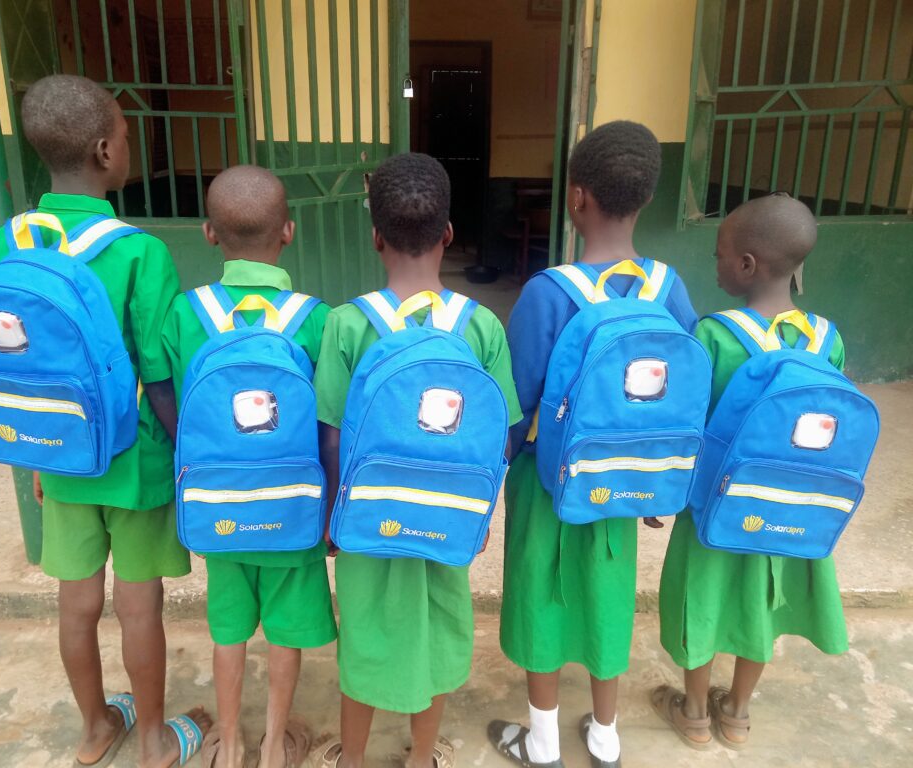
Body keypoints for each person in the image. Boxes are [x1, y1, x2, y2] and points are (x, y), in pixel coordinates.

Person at [0, 75, 211, 768]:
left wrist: (30, 457)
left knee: (75, 601)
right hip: (131, 456)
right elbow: (160, 368)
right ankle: (153, 742)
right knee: (138, 606)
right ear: (107, 151)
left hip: (54, 448)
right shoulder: (139, 251)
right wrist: (183, 451)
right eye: (130, 137)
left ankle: (93, 729)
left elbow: (9, 365)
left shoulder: (5, 242)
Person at [489, 121, 698, 768]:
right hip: (631, 478)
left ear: (576, 197)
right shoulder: (671, 288)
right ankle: (605, 735)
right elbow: (685, 396)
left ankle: (542, 742)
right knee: (609, 595)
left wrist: (498, 469)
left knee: (541, 596)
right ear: (647, 199)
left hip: (549, 480)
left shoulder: (548, 293)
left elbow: (516, 402)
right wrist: (664, 478)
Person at [312, 152, 522, 768]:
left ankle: (351, 758)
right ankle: (423, 755)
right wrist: (478, 512)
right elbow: (503, 434)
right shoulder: (480, 325)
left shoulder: (347, 323)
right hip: (447, 513)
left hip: (367, 518)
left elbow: (329, 432)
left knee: (365, 633)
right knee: (433, 634)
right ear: (449, 234)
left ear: (375, 237)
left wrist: (334, 513)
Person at [652, 193, 847, 750]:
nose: (714, 264)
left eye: (719, 255)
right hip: (792, 505)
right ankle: (736, 713)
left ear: (746, 265)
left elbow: (688, 424)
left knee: (702, 595)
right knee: (764, 601)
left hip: (715, 504)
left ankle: (692, 713)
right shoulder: (827, 338)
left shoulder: (714, 336)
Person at [162, 165, 337, 768]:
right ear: (288, 231)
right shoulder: (315, 319)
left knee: (228, 629)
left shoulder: (187, 314)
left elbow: (167, 396)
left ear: (210, 233)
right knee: (286, 634)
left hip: (220, 504)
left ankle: (230, 741)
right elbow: (329, 419)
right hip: (292, 505)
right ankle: (272, 744)